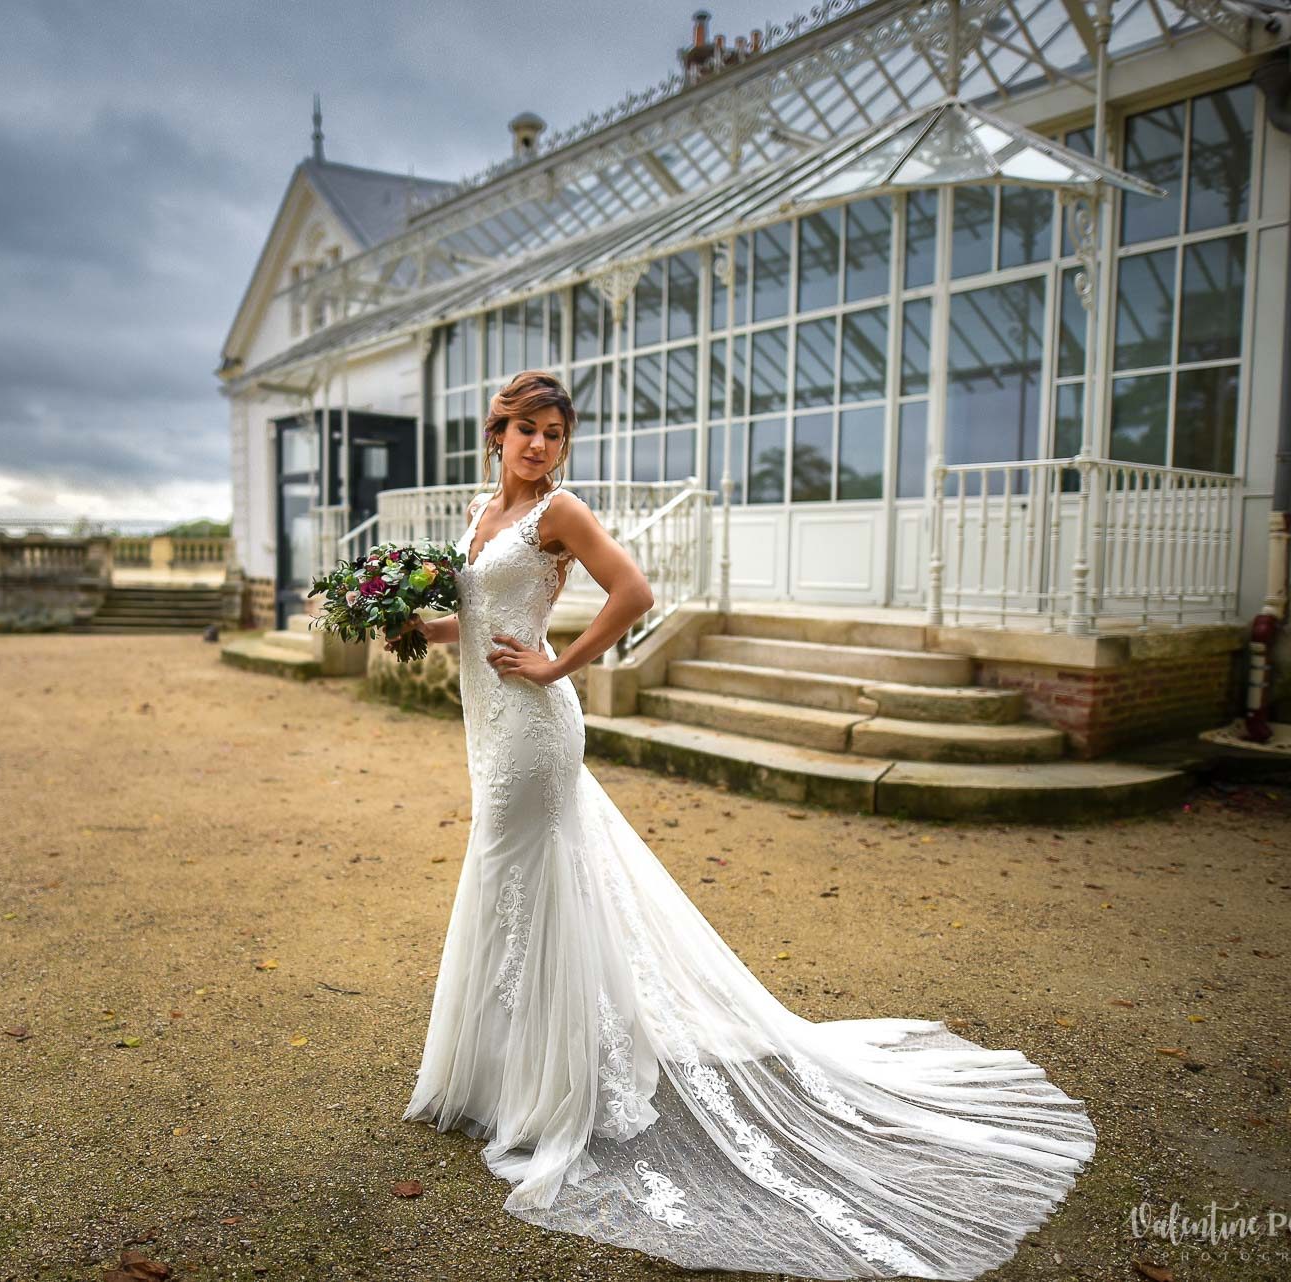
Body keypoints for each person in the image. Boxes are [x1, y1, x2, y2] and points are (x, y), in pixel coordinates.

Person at [392, 369, 1096, 1278]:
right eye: (527, 429)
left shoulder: (561, 512)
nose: (540, 445)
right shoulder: (482, 515)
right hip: (485, 724)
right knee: (512, 880)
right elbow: (483, 611)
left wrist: (557, 667)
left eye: (555, 433)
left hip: (533, 725)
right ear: (497, 434)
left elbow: (634, 593)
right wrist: (422, 630)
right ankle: (506, 1071)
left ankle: (549, 1086)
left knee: (515, 873)